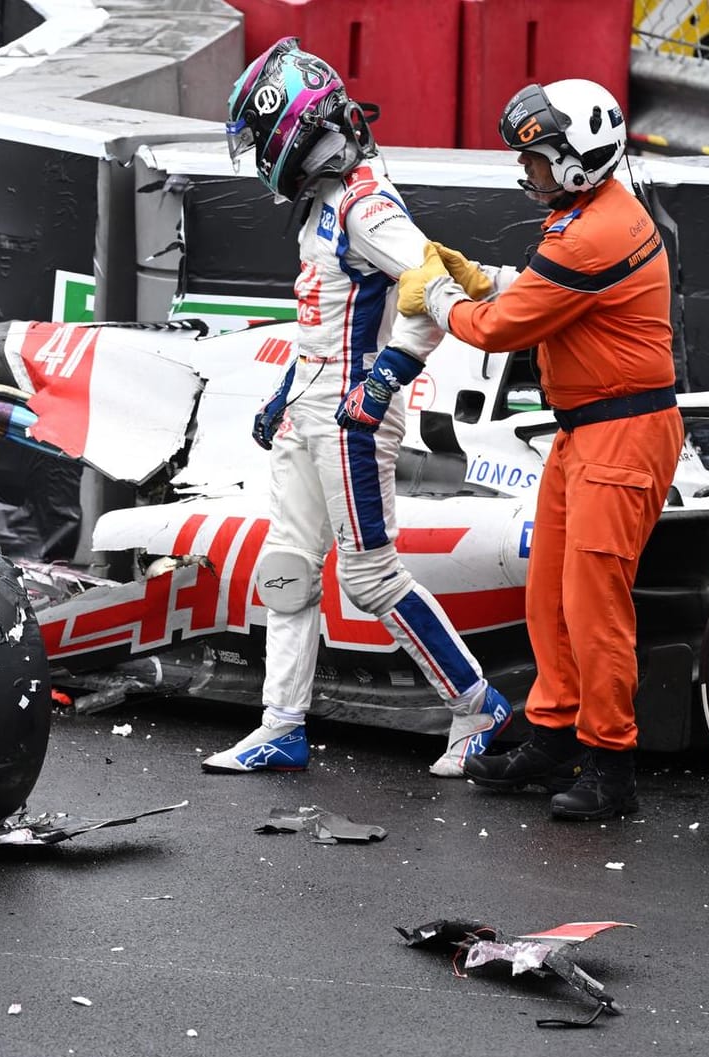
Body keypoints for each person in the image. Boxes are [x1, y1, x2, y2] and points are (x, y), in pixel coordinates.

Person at [202, 37, 513, 778]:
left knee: (369, 577)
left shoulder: (368, 207)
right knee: (286, 567)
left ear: (295, 134)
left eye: (261, 141)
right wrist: (282, 396)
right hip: (312, 406)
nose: (256, 159)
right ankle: (280, 725)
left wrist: (382, 383)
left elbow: (433, 288)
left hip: (350, 416)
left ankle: (477, 705)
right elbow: (321, 320)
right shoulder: (330, 200)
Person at [395, 78, 683, 820]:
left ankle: (609, 766)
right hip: (588, 432)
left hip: (620, 435)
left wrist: (434, 294)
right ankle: (554, 732)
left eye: (537, 160)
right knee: (550, 594)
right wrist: (475, 278)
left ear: (578, 160)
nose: (527, 173)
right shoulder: (588, 215)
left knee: (593, 608)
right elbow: (537, 292)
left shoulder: (591, 231)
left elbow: (497, 330)